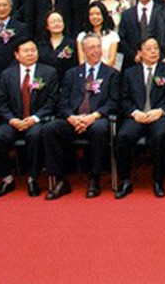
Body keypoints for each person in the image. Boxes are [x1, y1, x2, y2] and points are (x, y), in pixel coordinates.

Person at [41, 33, 118, 200]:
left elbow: (114, 102)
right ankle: (61, 180)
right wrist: (72, 118)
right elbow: (62, 102)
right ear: (83, 50)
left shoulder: (111, 74)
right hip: (74, 119)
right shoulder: (72, 74)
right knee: (49, 129)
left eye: (98, 47)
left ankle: (94, 178)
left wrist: (94, 116)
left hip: (96, 118)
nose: (96, 51)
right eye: (91, 47)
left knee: (100, 129)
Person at [0, 37, 59, 198]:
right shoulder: (7, 75)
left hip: (36, 120)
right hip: (13, 119)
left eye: (33, 50)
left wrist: (35, 118)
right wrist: (12, 119)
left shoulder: (49, 73)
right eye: (26, 51)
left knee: (35, 135)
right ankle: (7, 178)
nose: (30, 54)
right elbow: (1, 102)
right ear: (17, 55)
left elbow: (52, 101)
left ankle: (32, 178)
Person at [114, 37, 165, 199]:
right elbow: (124, 99)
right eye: (149, 48)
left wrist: (161, 111)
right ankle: (125, 181)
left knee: (160, 136)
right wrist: (135, 112)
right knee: (122, 137)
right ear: (140, 53)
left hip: (158, 116)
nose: (153, 51)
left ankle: (158, 180)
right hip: (137, 116)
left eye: (156, 48)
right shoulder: (130, 72)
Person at [116, 0, 156, 70]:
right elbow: (121, 39)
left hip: (156, 62)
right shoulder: (127, 14)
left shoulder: (161, 11)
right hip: (132, 64)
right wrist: (134, 55)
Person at [36, 11, 78, 82]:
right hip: (46, 82)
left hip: (66, 82)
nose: (57, 24)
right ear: (47, 26)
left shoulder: (72, 44)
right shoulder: (41, 45)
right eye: (53, 22)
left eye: (59, 21)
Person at [76, 2, 120, 69]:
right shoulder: (81, 36)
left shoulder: (113, 36)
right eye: (91, 14)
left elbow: (111, 60)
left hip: (107, 73)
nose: (95, 17)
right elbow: (81, 60)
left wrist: (99, 73)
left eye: (98, 14)